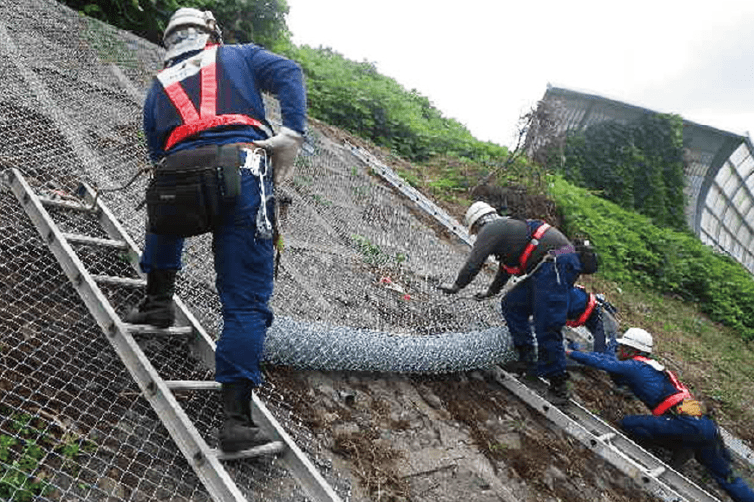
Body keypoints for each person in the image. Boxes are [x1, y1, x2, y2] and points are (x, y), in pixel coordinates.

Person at [124, 7, 307, 453]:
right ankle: (236, 421)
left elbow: (156, 148)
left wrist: (178, 164)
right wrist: (292, 133)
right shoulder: (239, 55)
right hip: (243, 170)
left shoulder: (160, 84)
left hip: (179, 169)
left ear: (169, 42)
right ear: (209, 33)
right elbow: (289, 72)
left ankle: (157, 301)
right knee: (244, 302)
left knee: (164, 204)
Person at [567, 328, 754, 502]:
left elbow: (605, 363)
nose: (620, 350)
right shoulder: (654, 367)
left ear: (632, 351)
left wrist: (571, 353)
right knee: (725, 475)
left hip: (687, 424)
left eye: (623, 347)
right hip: (705, 423)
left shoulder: (635, 367)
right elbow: (618, 375)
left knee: (630, 423)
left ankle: (680, 446)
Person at [439, 201, 584, 405]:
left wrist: (456, 286)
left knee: (546, 323)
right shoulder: (510, 232)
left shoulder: (492, 229)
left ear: (479, 223)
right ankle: (529, 360)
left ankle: (559, 385)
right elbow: (507, 267)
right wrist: (492, 291)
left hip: (556, 264)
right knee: (512, 305)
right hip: (547, 267)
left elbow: (475, 261)